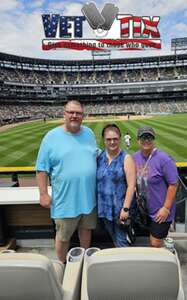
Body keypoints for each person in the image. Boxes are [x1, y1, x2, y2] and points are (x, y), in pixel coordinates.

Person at [36, 100, 98, 263]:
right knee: (63, 236)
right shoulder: (51, 137)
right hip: (65, 200)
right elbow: (41, 168)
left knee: (86, 229)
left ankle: (84, 261)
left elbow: (95, 156)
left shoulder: (89, 134)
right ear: (64, 114)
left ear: (83, 116)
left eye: (78, 113)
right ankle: (62, 265)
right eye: (71, 112)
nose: (74, 116)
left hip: (88, 196)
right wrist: (43, 194)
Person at [133, 126, 178, 248]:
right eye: (143, 137)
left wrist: (166, 208)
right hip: (144, 209)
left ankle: (161, 264)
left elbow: (173, 184)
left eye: (149, 137)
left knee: (155, 244)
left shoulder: (164, 159)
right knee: (147, 240)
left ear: (154, 140)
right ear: (138, 140)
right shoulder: (135, 157)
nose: (146, 140)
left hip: (160, 211)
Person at [97, 124, 136, 247]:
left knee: (122, 242)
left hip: (120, 210)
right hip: (104, 209)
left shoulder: (126, 158)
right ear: (103, 140)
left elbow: (131, 186)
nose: (112, 142)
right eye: (109, 139)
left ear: (119, 139)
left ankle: (126, 265)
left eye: (115, 139)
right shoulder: (100, 157)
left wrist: (125, 209)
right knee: (114, 238)